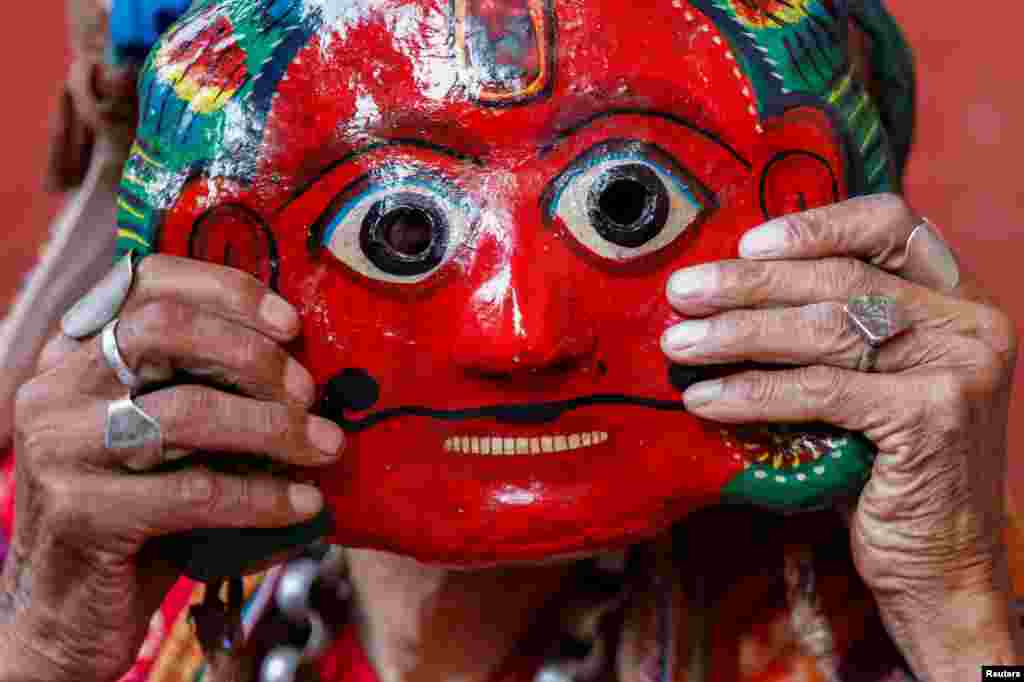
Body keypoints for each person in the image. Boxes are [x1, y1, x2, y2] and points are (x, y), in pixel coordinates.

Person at [0, 1, 1019, 681]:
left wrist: (959, 611)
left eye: (626, 205)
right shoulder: (67, 537)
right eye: (398, 230)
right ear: (214, 240)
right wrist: (45, 645)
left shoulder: (908, 578)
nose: (519, 336)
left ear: (803, 197)